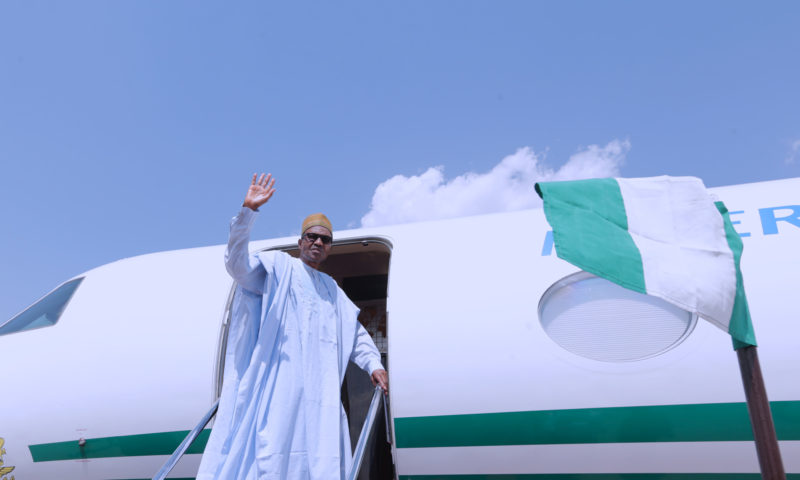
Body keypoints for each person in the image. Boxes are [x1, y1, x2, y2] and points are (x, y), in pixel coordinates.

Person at [197, 173, 388, 480]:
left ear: (329, 248)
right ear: (300, 243)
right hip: (280, 392)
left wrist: (373, 365)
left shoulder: (332, 290)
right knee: (274, 455)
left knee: (320, 458)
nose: (317, 242)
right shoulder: (278, 268)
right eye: (311, 237)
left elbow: (355, 336)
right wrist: (248, 212)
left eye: (324, 239)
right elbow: (236, 266)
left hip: (321, 397)